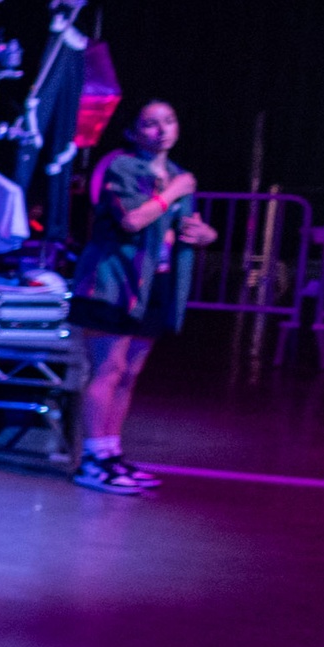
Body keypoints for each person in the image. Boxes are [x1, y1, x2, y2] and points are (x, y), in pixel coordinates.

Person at [67, 97, 218, 494]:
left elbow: (182, 227)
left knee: (130, 374)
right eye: (151, 123)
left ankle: (111, 452)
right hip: (113, 284)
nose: (162, 129)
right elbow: (132, 219)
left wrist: (204, 235)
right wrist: (173, 193)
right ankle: (93, 459)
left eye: (169, 120)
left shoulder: (178, 175)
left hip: (153, 285)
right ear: (134, 132)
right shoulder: (122, 167)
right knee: (108, 370)